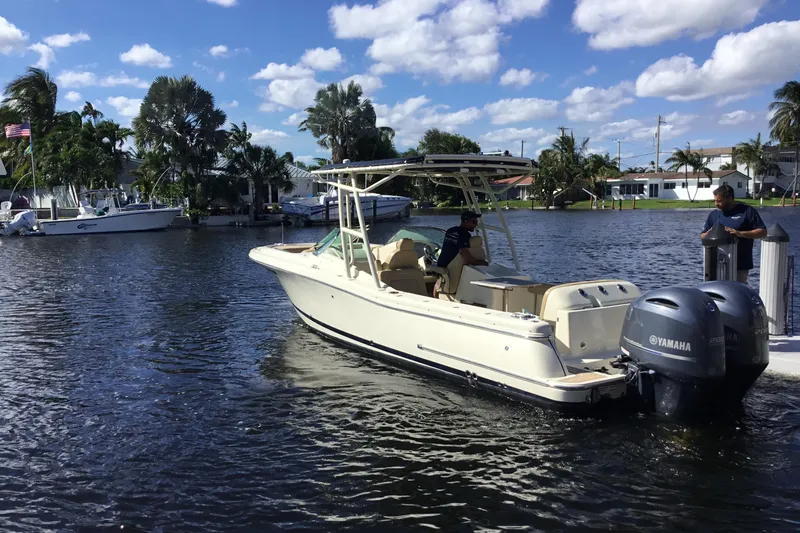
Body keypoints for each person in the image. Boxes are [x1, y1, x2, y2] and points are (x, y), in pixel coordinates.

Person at [700, 184, 767, 283]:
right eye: (714, 200)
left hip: (740, 265)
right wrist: (707, 235)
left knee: (737, 293)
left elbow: (763, 232)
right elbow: (702, 235)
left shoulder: (747, 211)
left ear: (730, 198)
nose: (716, 204)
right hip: (715, 265)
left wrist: (740, 233)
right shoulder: (714, 214)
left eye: (719, 201)